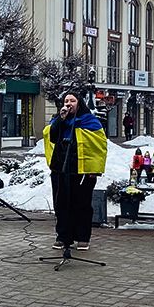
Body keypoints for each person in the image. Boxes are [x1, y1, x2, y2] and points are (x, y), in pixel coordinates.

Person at [44, 91, 108, 251]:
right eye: (66, 100)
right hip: (61, 168)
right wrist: (61, 119)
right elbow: (51, 136)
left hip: (82, 171)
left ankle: (82, 237)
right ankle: (63, 237)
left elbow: (98, 147)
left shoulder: (90, 122)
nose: (68, 103)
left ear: (79, 103)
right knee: (61, 204)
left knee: (82, 204)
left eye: (72, 100)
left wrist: (95, 169)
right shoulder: (58, 120)